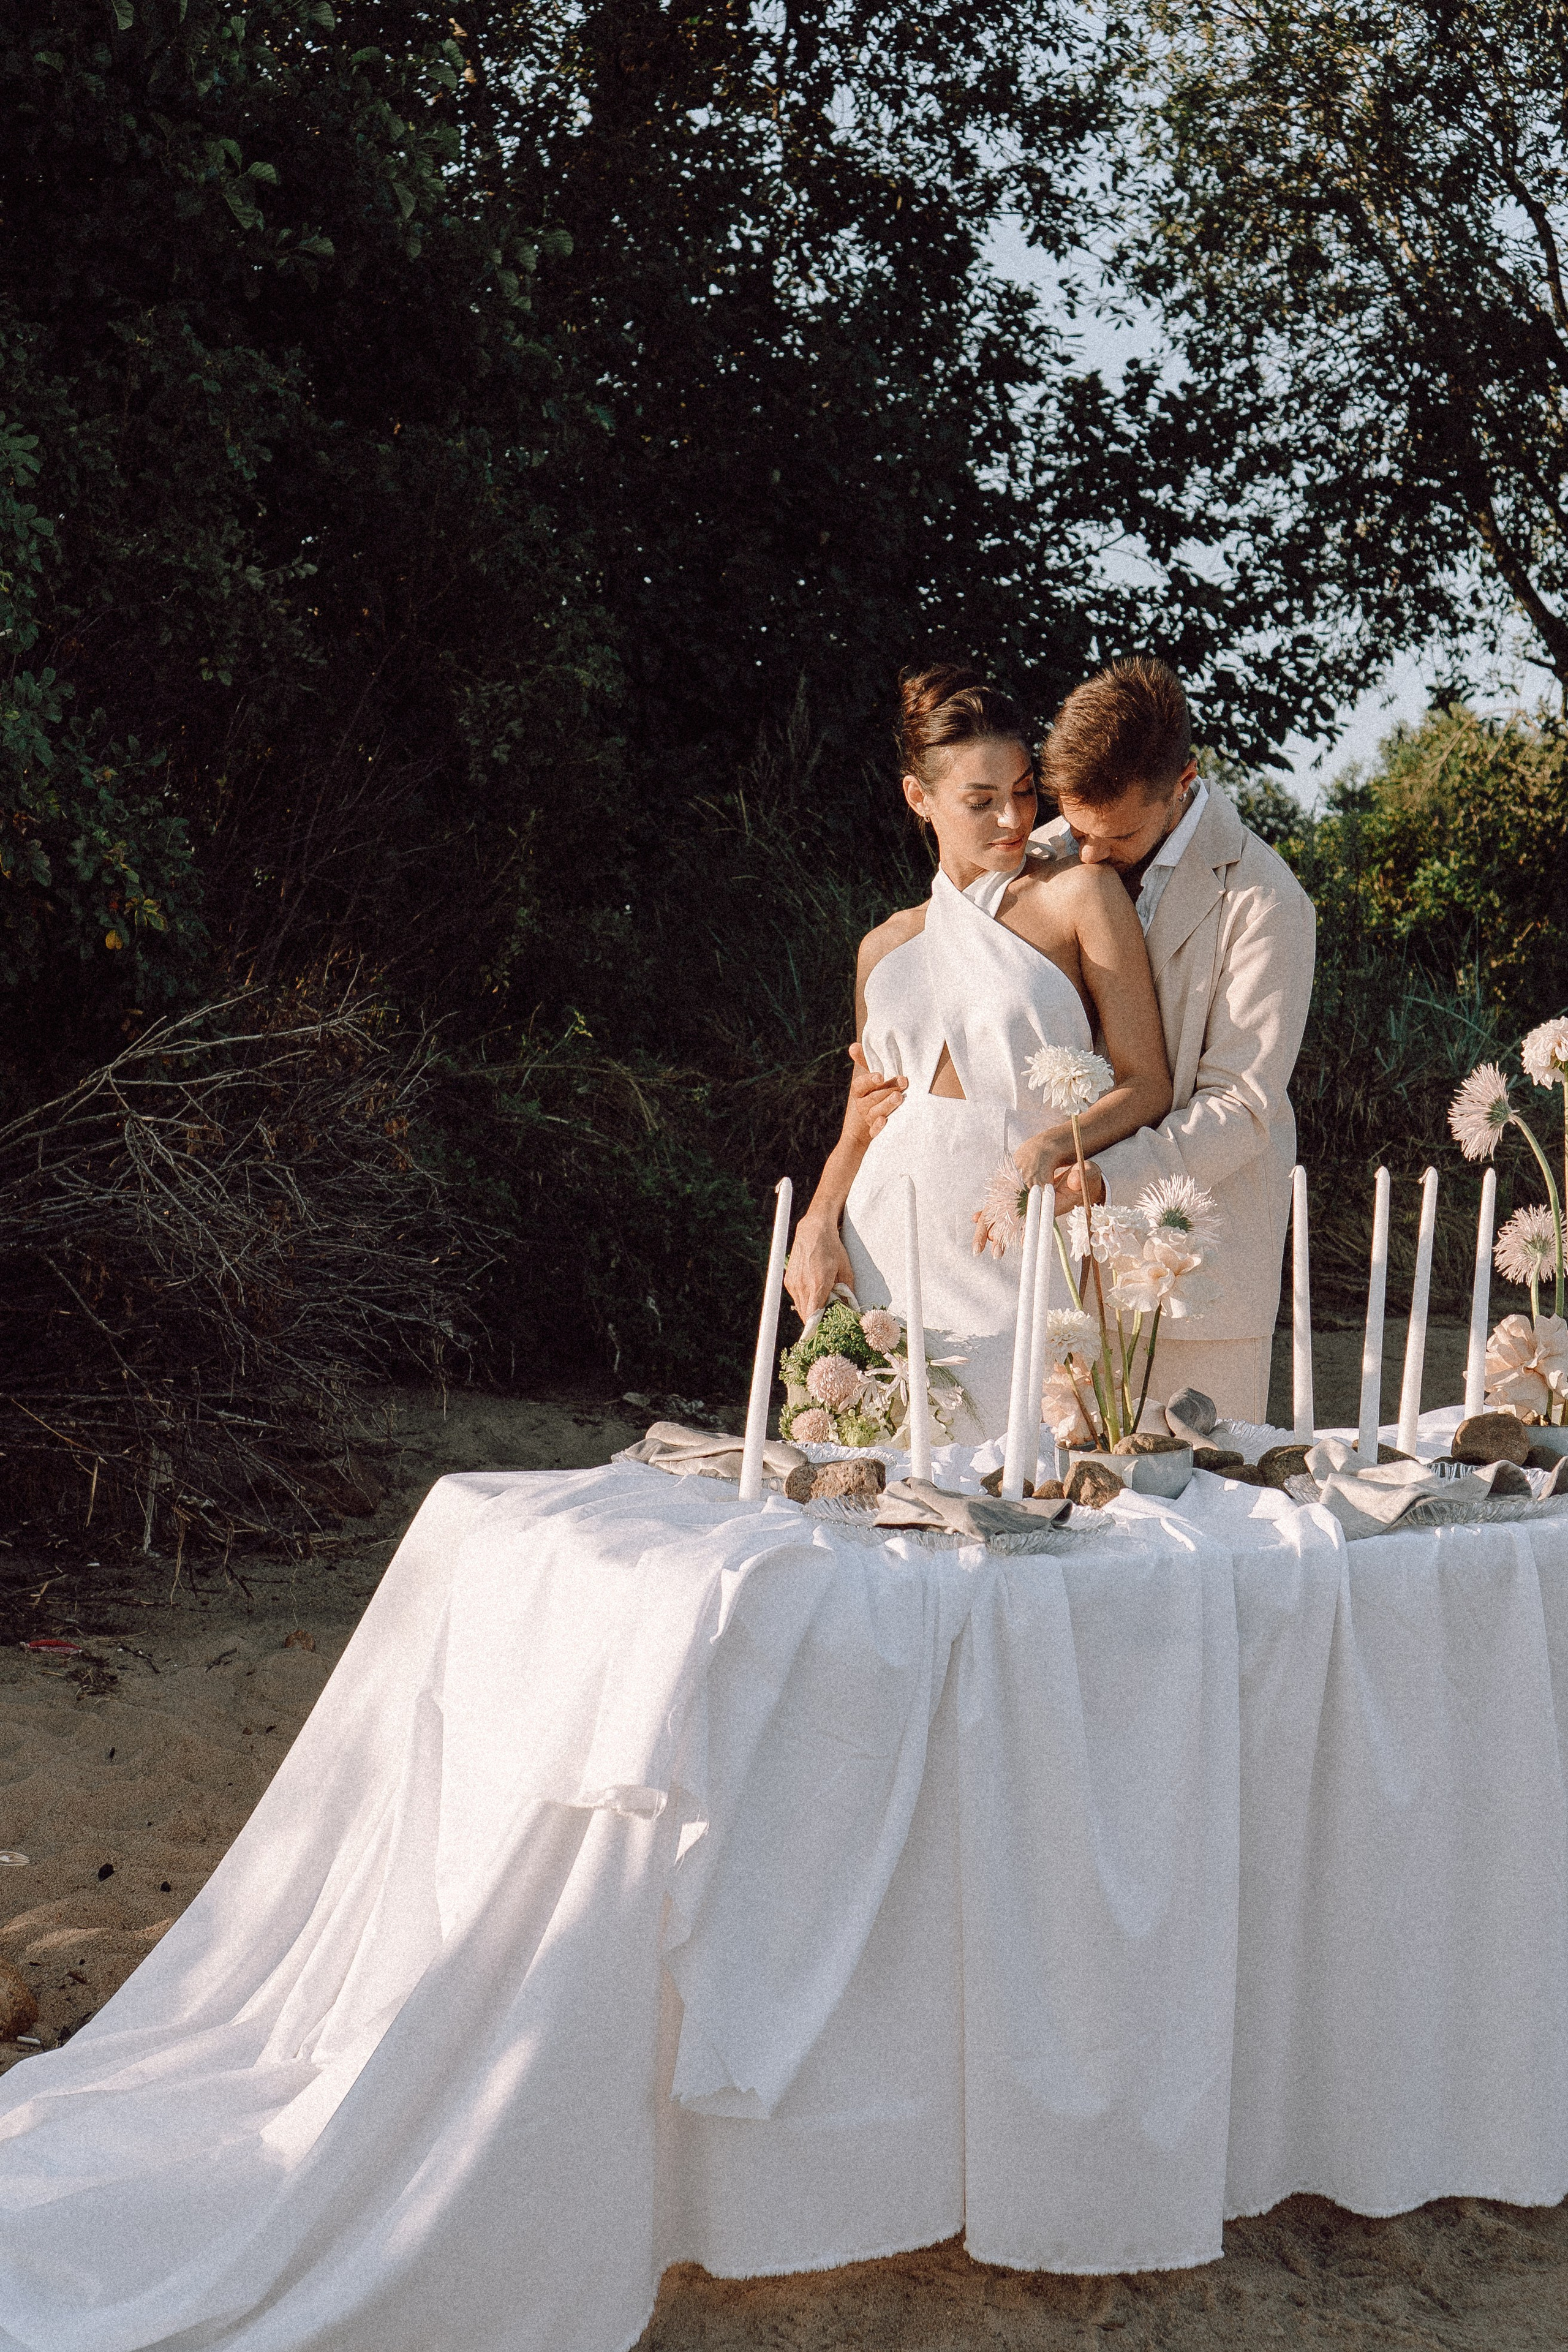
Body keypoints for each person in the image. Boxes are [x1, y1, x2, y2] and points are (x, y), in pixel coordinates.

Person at [842, 657, 1316, 1427]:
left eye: (1117, 834)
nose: (1086, 853)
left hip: (1184, 1264)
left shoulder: (1265, 901)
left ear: (1184, 782)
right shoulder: (1046, 846)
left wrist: (1092, 1173)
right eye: (1071, 823)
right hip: (1040, 1262)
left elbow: (1241, 1106)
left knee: (1188, 1508)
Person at [785, 665, 1172, 1439]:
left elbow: (1147, 1084)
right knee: (869, 1485)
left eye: (1025, 792)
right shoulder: (883, 947)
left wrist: (1046, 1149)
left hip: (1012, 1236)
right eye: (981, 801)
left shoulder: (1080, 897)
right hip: (883, 1239)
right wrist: (817, 1218)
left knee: (1018, 1474)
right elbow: (864, 1119)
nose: (1012, 820)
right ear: (917, 799)